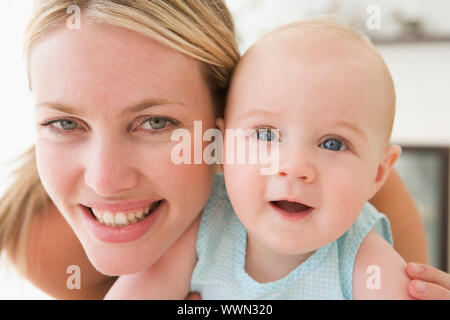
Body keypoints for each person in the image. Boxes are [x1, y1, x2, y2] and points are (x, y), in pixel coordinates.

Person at [0, 0, 448, 300]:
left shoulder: (349, 200)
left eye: (156, 122)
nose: (105, 180)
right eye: (63, 122)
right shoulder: (45, 237)